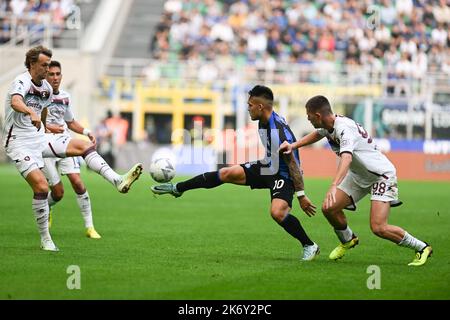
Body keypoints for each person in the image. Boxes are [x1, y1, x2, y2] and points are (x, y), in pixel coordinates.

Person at [151, 85, 320, 261]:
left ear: (260, 106)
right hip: (268, 166)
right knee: (226, 172)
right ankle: (178, 188)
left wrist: (301, 195)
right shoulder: (265, 119)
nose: (248, 109)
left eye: (250, 105)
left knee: (278, 213)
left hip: (284, 175)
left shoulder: (276, 131)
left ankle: (310, 245)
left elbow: (293, 163)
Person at [2, 45, 143, 252]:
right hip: (18, 142)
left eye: (50, 65)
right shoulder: (21, 81)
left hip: (39, 137)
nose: (48, 70)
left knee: (84, 146)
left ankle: (117, 180)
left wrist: (45, 124)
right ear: (32, 64)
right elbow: (16, 102)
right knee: (42, 188)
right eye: (44, 65)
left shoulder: (47, 89)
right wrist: (30, 114)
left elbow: (41, 112)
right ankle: (45, 239)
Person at [279, 95, 432, 266]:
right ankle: (348, 239)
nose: (308, 119)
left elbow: (346, 159)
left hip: (380, 176)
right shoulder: (328, 124)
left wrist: (333, 185)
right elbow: (317, 134)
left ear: (318, 115)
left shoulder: (345, 129)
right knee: (329, 208)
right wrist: (293, 145)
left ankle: (422, 247)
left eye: (309, 116)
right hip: (359, 175)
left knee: (378, 227)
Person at [41, 60, 100, 239]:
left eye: (58, 74)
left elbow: (70, 122)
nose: (55, 77)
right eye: (51, 74)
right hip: (44, 146)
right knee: (58, 193)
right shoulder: (37, 96)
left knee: (78, 182)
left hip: (65, 143)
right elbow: (32, 122)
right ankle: (48, 206)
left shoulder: (65, 97)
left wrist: (87, 132)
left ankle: (90, 227)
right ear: (45, 76)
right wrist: (49, 128)